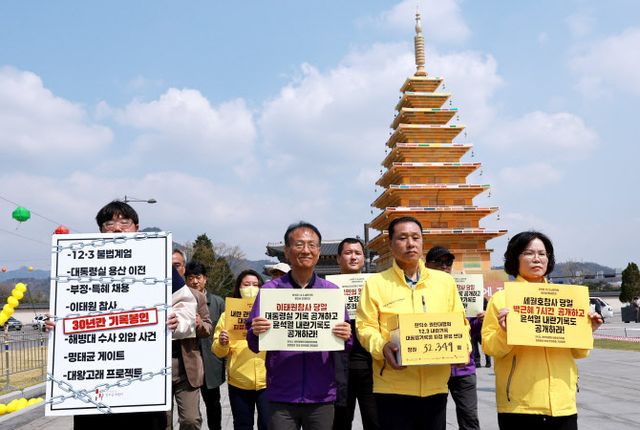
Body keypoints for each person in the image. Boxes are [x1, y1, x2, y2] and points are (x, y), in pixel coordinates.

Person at [46, 200, 178, 429]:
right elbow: (63, 309)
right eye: (109, 224)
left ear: (136, 228)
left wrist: (179, 321)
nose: (117, 229)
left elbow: (186, 305)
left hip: (143, 392)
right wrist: (52, 324)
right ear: (100, 230)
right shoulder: (75, 261)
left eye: (124, 223)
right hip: (93, 394)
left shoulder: (158, 259)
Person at [482, 231, 603, 430]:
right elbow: (489, 347)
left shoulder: (566, 299)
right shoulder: (501, 299)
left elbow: (579, 353)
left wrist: (587, 331)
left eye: (542, 253)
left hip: (562, 404)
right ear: (515, 258)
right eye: (529, 253)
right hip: (520, 405)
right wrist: (505, 332)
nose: (537, 259)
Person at [356, 216, 468, 430]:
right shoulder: (375, 284)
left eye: (416, 237)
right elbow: (365, 326)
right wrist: (382, 347)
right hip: (392, 387)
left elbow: (460, 322)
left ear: (422, 242)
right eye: (402, 238)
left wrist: (464, 347)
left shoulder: (445, 282)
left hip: (436, 386)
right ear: (390, 244)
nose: (410, 244)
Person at [246, 221, 353, 430]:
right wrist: (256, 332)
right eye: (299, 244)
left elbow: (346, 345)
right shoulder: (270, 292)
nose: (306, 250)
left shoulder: (331, 292)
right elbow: (253, 344)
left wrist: (346, 335)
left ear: (319, 252)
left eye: (312, 245)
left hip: (321, 394)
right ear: (287, 251)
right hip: (281, 394)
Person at [425, 245, 480, 430]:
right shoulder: (418, 293)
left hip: (464, 367)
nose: (444, 266)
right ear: (426, 265)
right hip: (433, 367)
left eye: (448, 262)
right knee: (433, 421)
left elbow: (473, 330)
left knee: (469, 419)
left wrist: (481, 320)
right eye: (438, 262)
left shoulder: (468, 291)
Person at [212, 270, 269, 430]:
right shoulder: (227, 316)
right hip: (239, 381)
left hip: (267, 381)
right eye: (246, 284)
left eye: (255, 284)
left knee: (268, 424)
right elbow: (218, 351)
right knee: (242, 425)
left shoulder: (269, 313)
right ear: (239, 287)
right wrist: (222, 343)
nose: (251, 288)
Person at [333, 238, 378, 430]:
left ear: (363, 258)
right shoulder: (328, 289)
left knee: (375, 420)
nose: (353, 257)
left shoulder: (375, 287)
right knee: (340, 422)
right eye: (348, 253)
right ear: (338, 258)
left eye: (358, 253)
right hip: (338, 367)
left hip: (371, 365)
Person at [167, 258, 213, 430]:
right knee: (163, 421)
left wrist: (199, 324)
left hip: (187, 368)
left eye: (177, 265)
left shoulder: (196, 296)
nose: (173, 269)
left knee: (191, 420)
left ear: (184, 268)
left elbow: (208, 327)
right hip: (158, 369)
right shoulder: (150, 292)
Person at [185, 262, 226, 430]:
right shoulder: (180, 302)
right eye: (190, 278)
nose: (195, 281)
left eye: (198, 277)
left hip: (211, 361)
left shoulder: (218, 302)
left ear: (205, 279)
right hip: (189, 361)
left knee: (213, 403)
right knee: (190, 409)